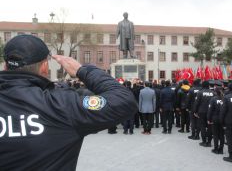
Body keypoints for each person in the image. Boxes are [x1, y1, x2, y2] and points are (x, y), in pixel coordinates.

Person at [0, 35, 137, 170]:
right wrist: (83, 71)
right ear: (44, 67)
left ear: (5, 66)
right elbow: (123, 100)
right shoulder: (60, 104)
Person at [220, 83, 232, 163]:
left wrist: (222, 122)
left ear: (228, 88)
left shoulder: (226, 97)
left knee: (230, 140)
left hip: (229, 122)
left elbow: (223, 111)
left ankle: (231, 156)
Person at [194, 81, 215, 147]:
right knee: (210, 127)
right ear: (208, 85)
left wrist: (195, 111)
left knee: (202, 126)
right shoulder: (213, 92)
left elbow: (197, 103)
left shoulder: (200, 93)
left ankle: (204, 141)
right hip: (211, 112)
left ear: (202, 85)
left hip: (202, 111)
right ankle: (209, 142)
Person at [207, 87, 224, 154]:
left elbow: (210, 110)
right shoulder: (224, 99)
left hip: (215, 118)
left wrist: (208, 119)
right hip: (222, 119)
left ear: (215, 92)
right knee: (222, 134)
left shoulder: (213, 99)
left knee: (215, 134)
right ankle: (221, 149)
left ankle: (216, 149)